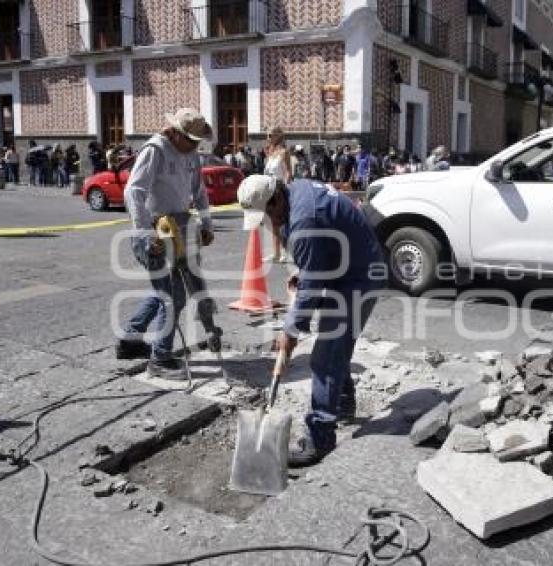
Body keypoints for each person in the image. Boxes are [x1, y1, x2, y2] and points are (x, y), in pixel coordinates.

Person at [237, 175, 384, 466]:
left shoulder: (305, 221)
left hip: (359, 277)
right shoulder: (296, 190)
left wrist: (290, 329)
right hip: (346, 268)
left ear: (276, 200)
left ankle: (320, 438)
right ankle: (341, 403)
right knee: (336, 345)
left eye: (266, 214)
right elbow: (314, 265)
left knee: (326, 355)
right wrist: (306, 271)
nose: (268, 223)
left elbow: (312, 285)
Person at [116, 108, 216, 379]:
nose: (195, 146)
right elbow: (133, 192)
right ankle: (160, 359)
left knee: (163, 292)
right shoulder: (155, 150)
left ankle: (130, 340)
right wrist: (146, 234)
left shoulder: (192, 154)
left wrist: (207, 224)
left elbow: (199, 191)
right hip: (156, 231)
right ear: (174, 132)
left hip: (180, 228)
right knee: (173, 297)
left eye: (198, 141)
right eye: (191, 140)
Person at [263, 127, 292, 263]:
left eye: (270, 135)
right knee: (272, 223)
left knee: (281, 222)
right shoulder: (270, 152)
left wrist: (285, 185)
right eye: (267, 135)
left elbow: (288, 172)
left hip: (279, 189)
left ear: (278, 136)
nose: (268, 137)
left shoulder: (284, 152)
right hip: (269, 190)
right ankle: (275, 253)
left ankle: (286, 252)